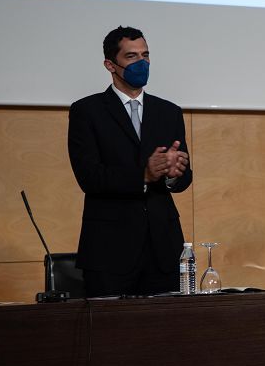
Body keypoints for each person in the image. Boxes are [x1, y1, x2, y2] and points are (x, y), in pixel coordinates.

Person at [67, 26, 192, 297]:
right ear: (110, 65)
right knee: (109, 334)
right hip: (110, 249)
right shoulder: (87, 111)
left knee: (167, 333)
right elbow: (89, 177)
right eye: (132, 57)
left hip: (163, 247)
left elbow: (183, 178)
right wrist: (143, 175)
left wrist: (173, 173)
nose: (142, 63)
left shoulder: (168, 112)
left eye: (146, 55)